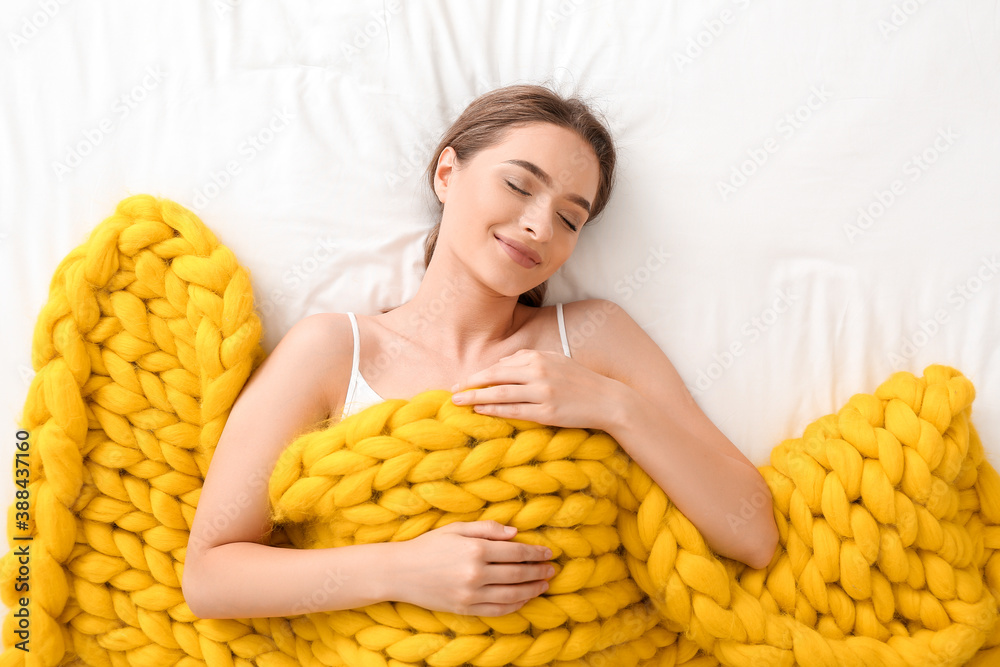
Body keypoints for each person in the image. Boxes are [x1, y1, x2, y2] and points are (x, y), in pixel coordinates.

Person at [182, 83, 778, 621]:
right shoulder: (336, 350)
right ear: (447, 174)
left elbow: (751, 532)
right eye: (518, 185)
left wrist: (613, 406)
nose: (540, 228)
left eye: (570, 219)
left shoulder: (595, 336)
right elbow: (210, 576)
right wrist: (400, 570)